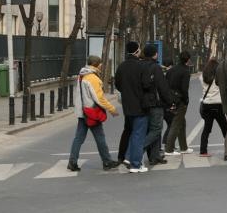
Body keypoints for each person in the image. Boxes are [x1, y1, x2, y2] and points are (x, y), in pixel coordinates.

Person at [68, 56, 120, 171]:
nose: (101, 65)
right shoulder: (92, 78)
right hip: (91, 112)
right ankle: (107, 161)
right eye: (100, 63)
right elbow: (99, 98)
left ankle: (72, 162)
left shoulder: (82, 75)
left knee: (78, 138)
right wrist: (111, 109)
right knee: (100, 137)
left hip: (82, 111)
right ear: (96, 64)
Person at [114, 41, 149, 173]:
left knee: (129, 131)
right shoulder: (140, 66)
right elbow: (146, 85)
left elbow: (117, 84)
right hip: (140, 105)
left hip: (127, 105)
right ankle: (136, 163)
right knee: (138, 135)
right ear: (136, 51)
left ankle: (126, 158)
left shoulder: (121, 67)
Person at [140, 44, 174, 166]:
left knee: (153, 129)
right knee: (156, 129)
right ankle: (137, 152)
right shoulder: (155, 67)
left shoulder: (141, 65)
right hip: (155, 102)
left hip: (143, 103)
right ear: (155, 54)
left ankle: (154, 156)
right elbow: (162, 87)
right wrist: (170, 101)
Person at [164, 51, 193, 155]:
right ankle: (169, 149)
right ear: (188, 59)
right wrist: (186, 100)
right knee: (176, 124)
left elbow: (165, 84)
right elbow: (184, 88)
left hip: (170, 99)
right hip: (180, 100)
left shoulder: (172, 70)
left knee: (181, 123)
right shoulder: (185, 71)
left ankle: (183, 147)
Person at [198, 58, 227, 157]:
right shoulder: (219, 77)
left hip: (206, 104)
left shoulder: (202, 76)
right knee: (224, 128)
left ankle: (203, 151)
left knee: (206, 129)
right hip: (218, 104)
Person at [161, 58, 174, 144]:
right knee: (172, 123)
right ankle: (167, 142)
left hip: (159, 103)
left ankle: (164, 143)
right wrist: (171, 103)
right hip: (166, 103)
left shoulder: (159, 72)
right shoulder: (170, 74)